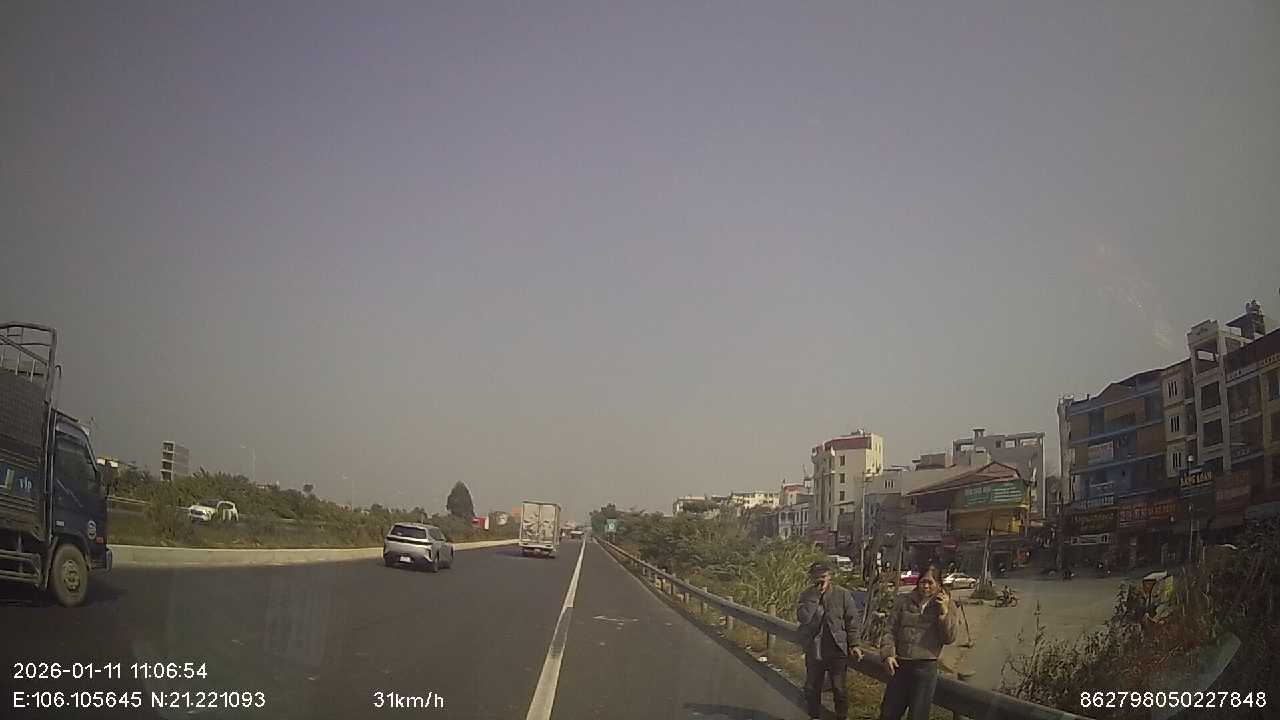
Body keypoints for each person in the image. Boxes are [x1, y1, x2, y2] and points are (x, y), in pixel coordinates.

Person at [877, 565, 958, 720]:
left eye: (930, 582)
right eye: (923, 582)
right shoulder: (904, 601)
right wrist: (888, 654)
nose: (926, 586)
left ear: (938, 584)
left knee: (917, 715)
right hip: (900, 664)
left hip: (925, 668)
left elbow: (949, 638)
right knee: (888, 712)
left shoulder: (947, 604)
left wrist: (944, 613)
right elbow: (889, 630)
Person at [797, 562, 864, 720]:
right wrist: (814, 598)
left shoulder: (842, 594)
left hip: (836, 648)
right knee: (812, 687)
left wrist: (854, 644)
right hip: (814, 648)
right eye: (817, 577)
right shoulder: (807, 595)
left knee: (838, 688)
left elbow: (852, 621)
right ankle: (814, 715)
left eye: (823, 576)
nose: (820, 580)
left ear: (829, 577)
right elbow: (803, 618)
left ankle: (842, 716)